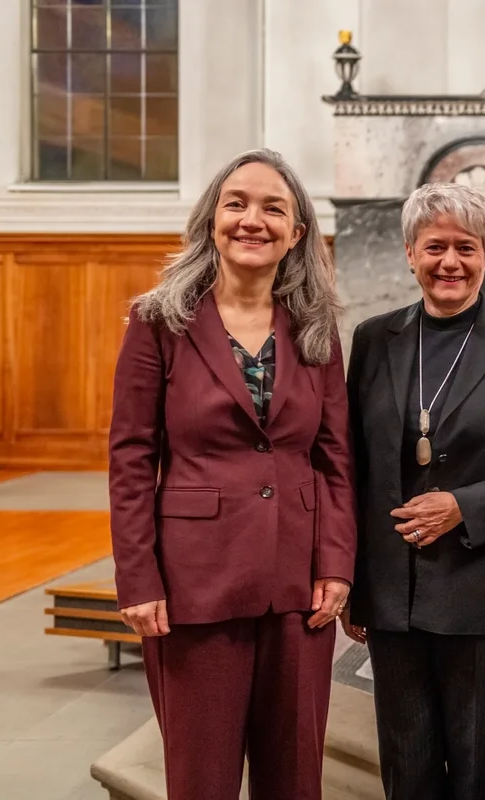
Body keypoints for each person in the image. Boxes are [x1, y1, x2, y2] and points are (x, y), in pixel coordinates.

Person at [108, 149, 355, 800]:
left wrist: (335, 564)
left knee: (295, 780)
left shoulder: (315, 327)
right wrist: (138, 575)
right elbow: (131, 456)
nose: (253, 219)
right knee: (201, 781)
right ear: (210, 220)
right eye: (236, 203)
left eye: (274, 207)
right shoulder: (159, 321)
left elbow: (334, 457)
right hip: (195, 587)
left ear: (297, 232)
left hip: (297, 586)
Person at [342, 182, 485, 800]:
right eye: (434, 246)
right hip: (392, 589)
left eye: (466, 247)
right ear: (410, 253)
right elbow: (352, 465)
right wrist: (352, 582)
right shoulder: (372, 339)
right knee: (406, 770)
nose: (450, 262)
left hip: (479, 591)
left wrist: (462, 506)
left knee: (473, 773)